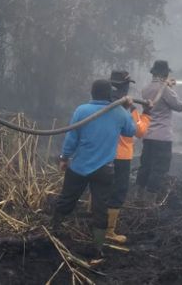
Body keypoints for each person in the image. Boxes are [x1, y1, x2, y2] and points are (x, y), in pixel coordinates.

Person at [52, 79, 136, 255]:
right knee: (101, 208)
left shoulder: (82, 110)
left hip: (79, 167)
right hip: (104, 170)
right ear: (108, 94)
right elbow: (130, 131)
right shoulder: (119, 113)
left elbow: (72, 137)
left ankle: (53, 233)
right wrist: (127, 108)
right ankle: (98, 248)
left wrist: (64, 158)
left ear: (92, 93)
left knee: (67, 199)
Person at [107, 70, 151, 244]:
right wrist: (146, 113)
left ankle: (92, 221)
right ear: (125, 85)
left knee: (100, 188)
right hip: (121, 156)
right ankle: (109, 231)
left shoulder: (102, 102)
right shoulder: (128, 107)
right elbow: (139, 131)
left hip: (101, 154)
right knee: (117, 191)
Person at [135, 60, 182, 203]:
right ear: (165, 73)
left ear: (153, 73)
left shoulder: (146, 89)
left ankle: (138, 196)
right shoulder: (166, 90)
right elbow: (179, 106)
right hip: (162, 137)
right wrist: (170, 89)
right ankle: (150, 201)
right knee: (159, 168)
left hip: (148, 135)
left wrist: (166, 86)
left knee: (145, 166)